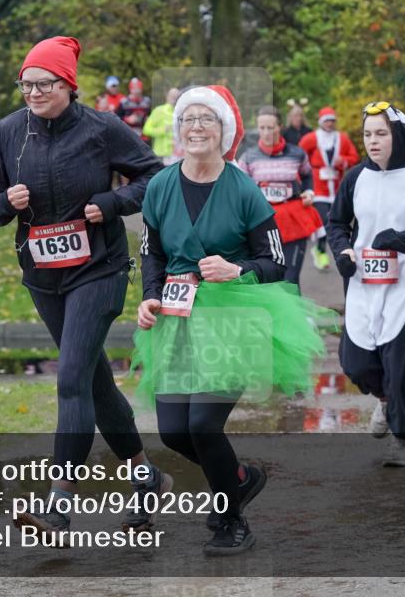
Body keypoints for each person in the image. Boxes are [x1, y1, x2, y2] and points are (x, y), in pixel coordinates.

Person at [0, 36, 169, 533]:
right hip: (43, 276)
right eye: (26, 84)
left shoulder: (102, 128)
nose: (33, 93)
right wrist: (4, 205)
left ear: (68, 85)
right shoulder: (10, 131)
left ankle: (59, 500)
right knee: (93, 383)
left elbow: (153, 177)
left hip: (98, 269)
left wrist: (113, 202)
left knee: (69, 378)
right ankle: (146, 477)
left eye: (44, 84)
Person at [132, 85, 331, 556]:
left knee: (202, 424)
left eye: (206, 119)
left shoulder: (243, 188)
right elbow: (151, 254)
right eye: (187, 119)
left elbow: (275, 261)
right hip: (177, 319)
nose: (195, 127)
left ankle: (231, 520)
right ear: (177, 131)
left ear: (224, 132)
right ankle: (239, 479)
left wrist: (237, 269)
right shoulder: (160, 186)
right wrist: (150, 298)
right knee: (173, 432)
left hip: (234, 319)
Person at [328, 101, 405, 467]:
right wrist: (343, 253)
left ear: (396, 135)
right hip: (363, 284)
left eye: (381, 133)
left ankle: (402, 437)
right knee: (354, 361)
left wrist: (399, 239)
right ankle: (383, 401)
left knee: (400, 364)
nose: (373, 141)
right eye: (367, 134)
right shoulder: (354, 178)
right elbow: (336, 225)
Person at [238, 106, 324, 285]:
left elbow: (307, 174)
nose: (266, 133)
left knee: (290, 279)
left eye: (271, 128)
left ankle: (294, 314)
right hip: (262, 222)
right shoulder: (248, 157)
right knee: (268, 278)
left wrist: (309, 192)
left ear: (280, 127)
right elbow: (240, 189)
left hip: (293, 219)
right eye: (262, 128)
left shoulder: (297, 153)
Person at [298, 106, 360, 271]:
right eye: (327, 121)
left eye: (332, 121)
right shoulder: (311, 138)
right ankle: (320, 251)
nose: (330, 124)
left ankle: (333, 250)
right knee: (324, 221)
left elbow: (354, 157)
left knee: (336, 221)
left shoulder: (342, 139)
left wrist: (344, 160)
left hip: (337, 186)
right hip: (318, 187)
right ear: (321, 122)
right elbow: (299, 155)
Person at [143, 87, 181, 162]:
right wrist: (162, 130)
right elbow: (146, 129)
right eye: (172, 96)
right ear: (167, 96)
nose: (174, 98)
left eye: (177, 96)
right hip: (161, 155)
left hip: (178, 155)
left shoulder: (182, 112)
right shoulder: (158, 110)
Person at [117, 77, 152, 141]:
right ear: (130, 89)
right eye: (134, 89)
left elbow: (153, 116)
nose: (136, 91)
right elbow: (116, 118)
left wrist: (148, 119)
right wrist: (127, 119)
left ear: (141, 89)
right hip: (128, 135)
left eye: (138, 89)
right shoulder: (124, 102)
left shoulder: (147, 102)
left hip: (144, 136)